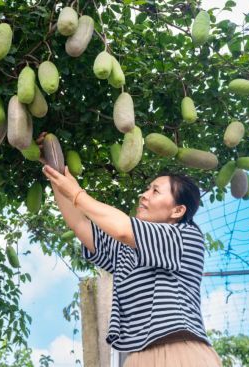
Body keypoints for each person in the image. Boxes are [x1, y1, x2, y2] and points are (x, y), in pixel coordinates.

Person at [38, 132, 223, 367]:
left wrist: (76, 193)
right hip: (137, 356)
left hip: (179, 350)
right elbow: (80, 224)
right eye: (147, 189)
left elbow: (123, 229)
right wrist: (56, 173)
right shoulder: (125, 251)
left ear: (177, 211)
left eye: (155, 191)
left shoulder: (185, 237)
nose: (143, 195)